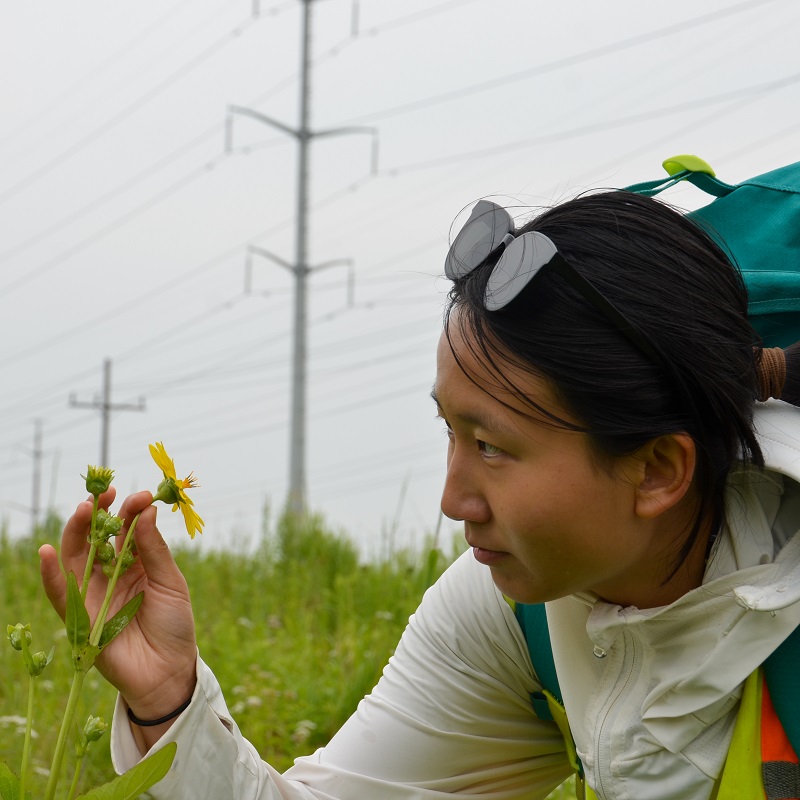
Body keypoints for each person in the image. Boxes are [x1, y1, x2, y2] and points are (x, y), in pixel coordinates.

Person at [40, 188, 800, 800]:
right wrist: (170, 702)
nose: (453, 499)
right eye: (451, 432)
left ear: (659, 469)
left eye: (493, 447)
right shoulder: (509, 612)